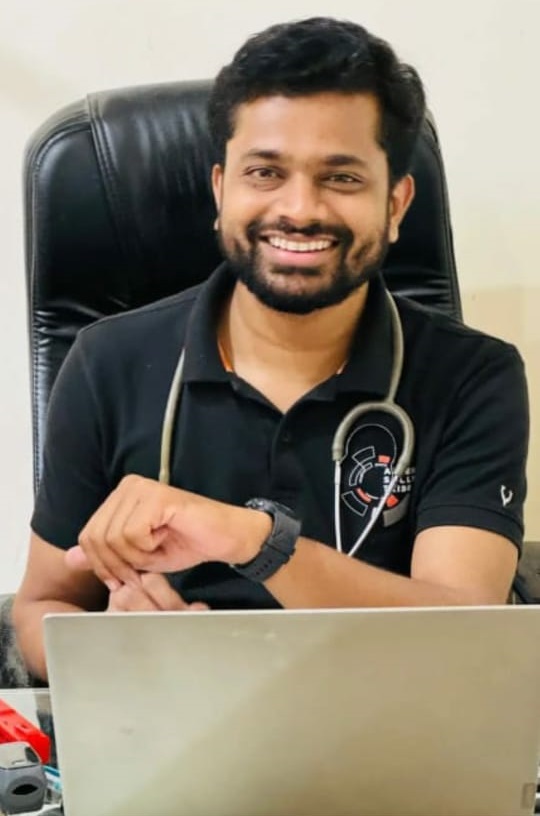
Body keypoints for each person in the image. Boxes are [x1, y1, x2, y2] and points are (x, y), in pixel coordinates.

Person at [13, 17, 528, 682]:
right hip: (167, 717)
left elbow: (465, 634)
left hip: (389, 719)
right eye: (265, 172)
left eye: (341, 178)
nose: (300, 209)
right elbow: (43, 606)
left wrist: (254, 540)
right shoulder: (106, 362)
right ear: (220, 189)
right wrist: (116, 657)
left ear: (396, 203)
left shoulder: (473, 375)